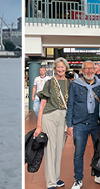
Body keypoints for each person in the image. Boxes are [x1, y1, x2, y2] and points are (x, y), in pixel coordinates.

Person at [67, 61, 100, 189]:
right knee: (79, 153)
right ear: (82, 70)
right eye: (87, 69)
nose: (89, 71)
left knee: (99, 151)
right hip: (80, 123)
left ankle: (98, 174)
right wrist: (69, 124)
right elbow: (71, 105)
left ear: (96, 70)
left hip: (96, 123)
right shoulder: (75, 84)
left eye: (91, 69)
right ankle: (78, 179)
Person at [34, 57, 72, 189]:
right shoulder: (49, 83)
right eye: (58, 67)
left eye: (63, 67)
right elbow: (42, 105)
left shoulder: (69, 83)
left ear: (66, 68)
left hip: (64, 117)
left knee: (59, 149)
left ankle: (56, 178)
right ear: (55, 68)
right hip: (49, 116)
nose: (61, 69)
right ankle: (50, 182)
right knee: (50, 149)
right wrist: (39, 126)